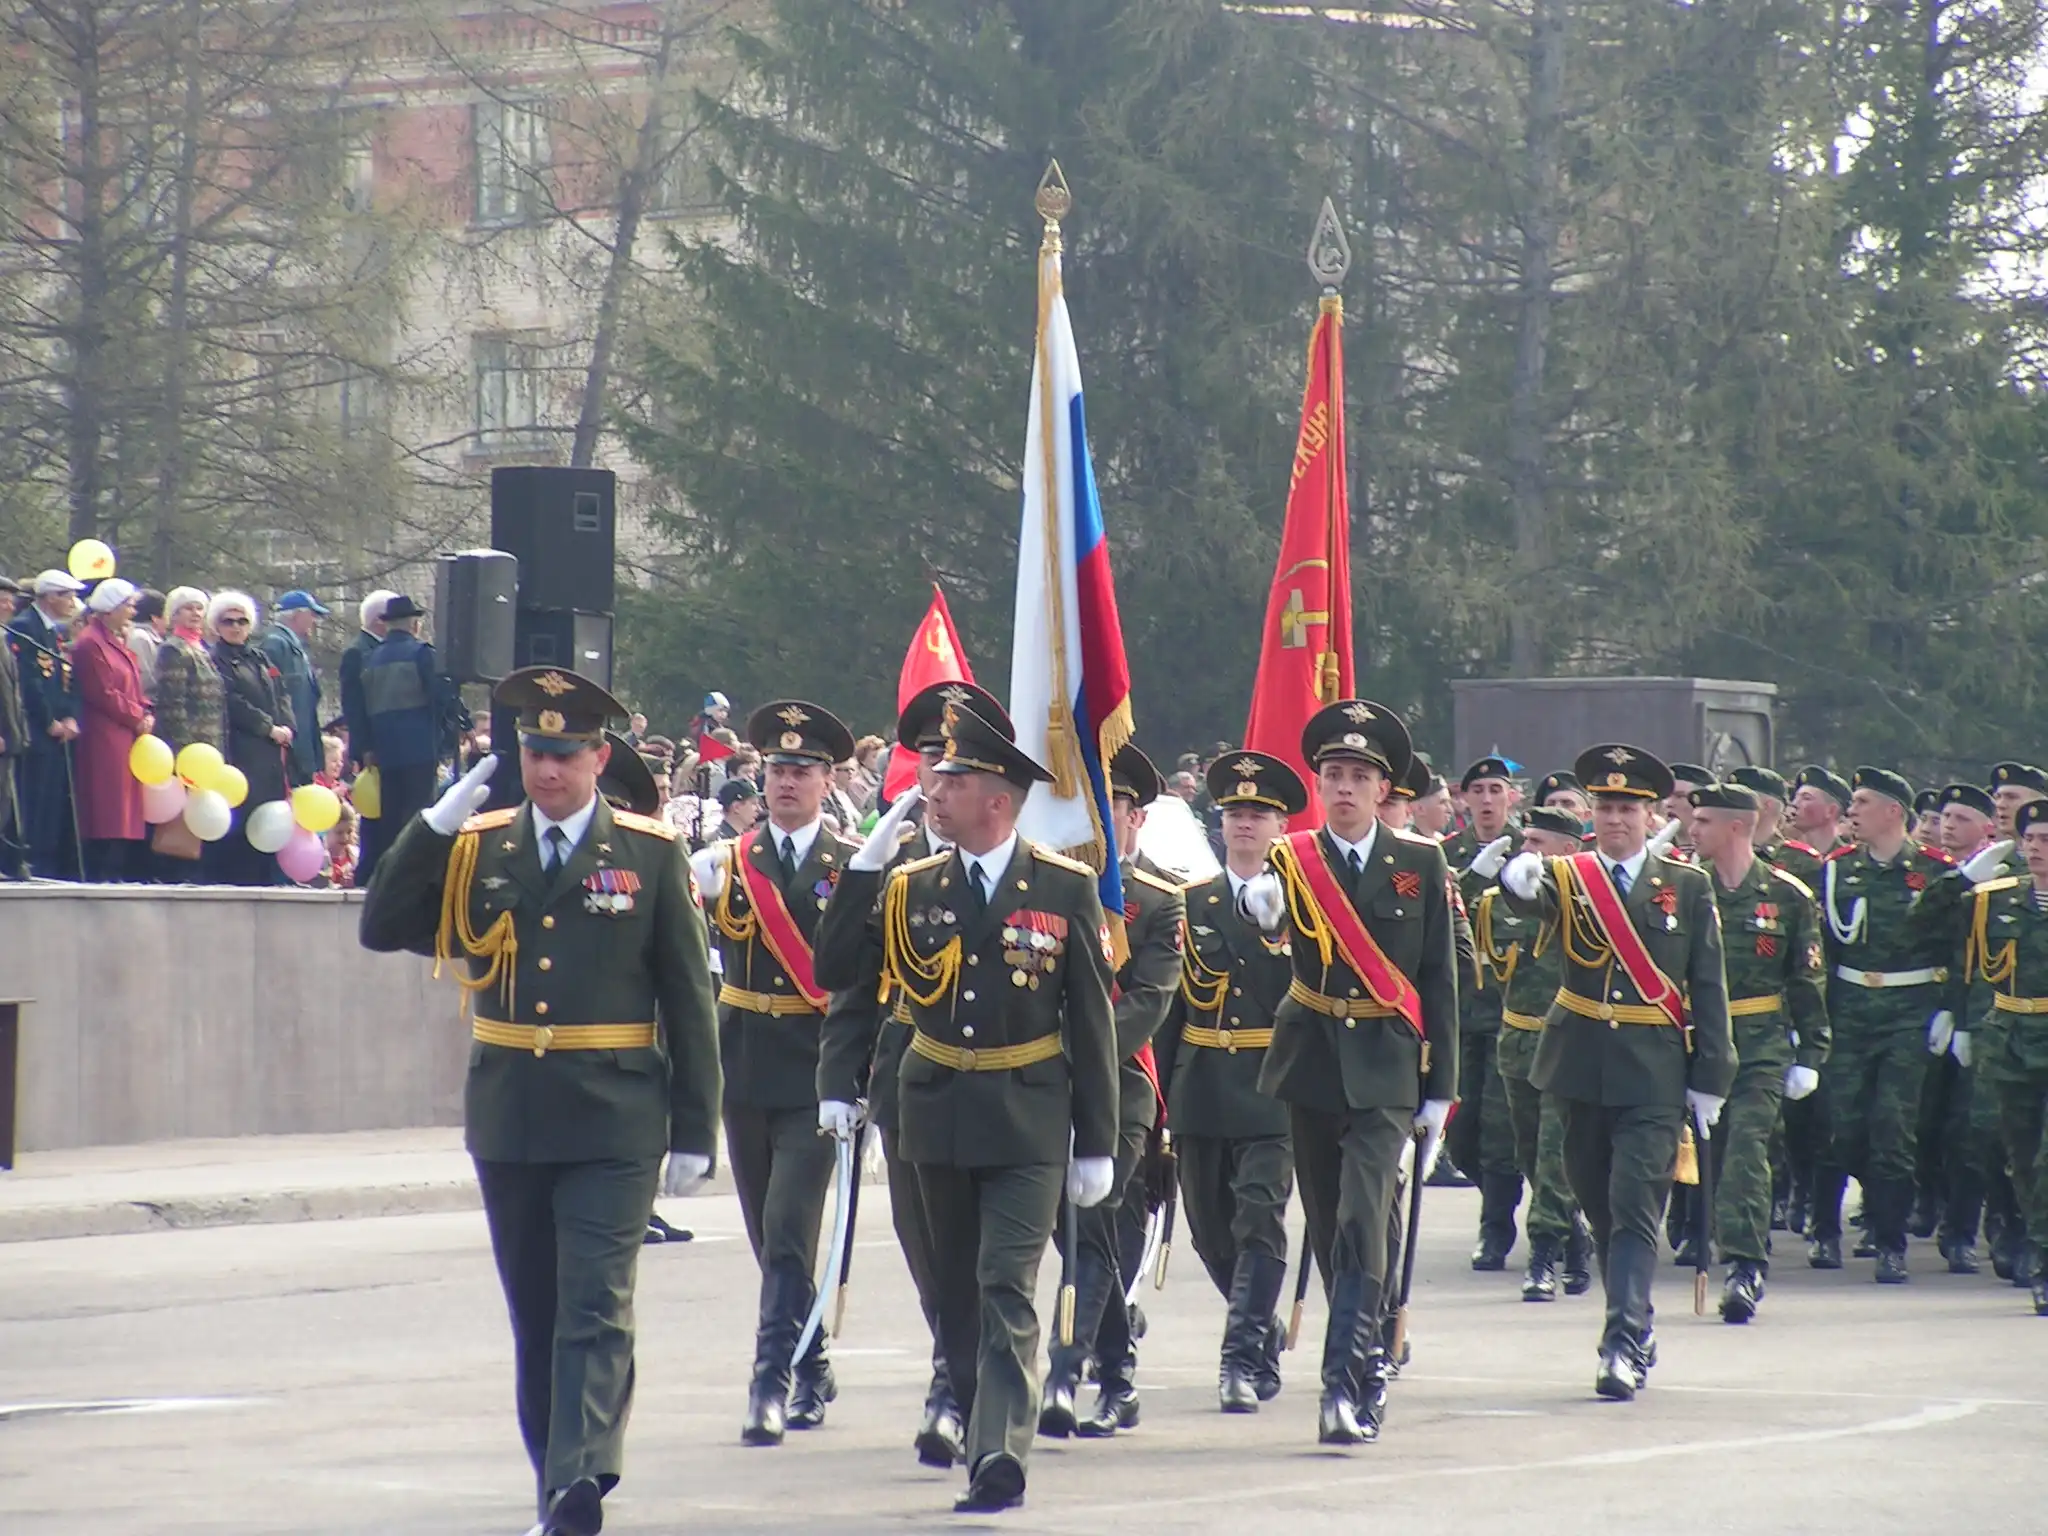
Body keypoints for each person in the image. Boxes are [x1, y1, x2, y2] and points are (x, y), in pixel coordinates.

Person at [359, 666, 720, 1536]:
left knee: (595, 1303)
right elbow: (383, 927)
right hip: (513, 1112)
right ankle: (554, 1483)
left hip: (614, 1114)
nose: (548, 769)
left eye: (565, 754)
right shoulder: (480, 846)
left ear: (599, 758)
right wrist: (429, 831)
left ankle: (580, 1474)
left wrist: (694, 1127)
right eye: (534, 753)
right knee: (538, 1312)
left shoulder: (649, 854)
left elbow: (687, 997)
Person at [811, 700, 1119, 1514]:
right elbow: (834, 969)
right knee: (952, 1295)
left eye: (953, 781)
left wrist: (1097, 1139)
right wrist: (865, 868)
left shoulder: (1062, 887)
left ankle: (999, 1453)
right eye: (935, 777)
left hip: (1027, 1116)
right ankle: (981, 1419)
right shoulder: (910, 885)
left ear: (999, 800)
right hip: (933, 1111)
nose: (933, 792)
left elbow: (1091, 1019)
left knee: (1005, 1283)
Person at [1238, 700, 1457, 1445]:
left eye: (1359, 776)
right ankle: (1364, 1352)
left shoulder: (1420, 862)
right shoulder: (1291, 858)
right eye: (1332, 774)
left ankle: (1342, 1383)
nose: (1344, 787)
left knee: (1365, 1216)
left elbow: (1439, 979)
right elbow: (1267, 918)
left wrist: (1441, 1091)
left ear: (1382, 788)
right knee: (1332, 1222)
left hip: (1388, 1066)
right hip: (1312, 1060)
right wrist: (1263, 909)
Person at [1498, 743, 1735, 1400]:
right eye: (1604, 807)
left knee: (1634, 1205)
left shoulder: (1686, 885)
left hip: (1652, 1070)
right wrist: (1515, 879)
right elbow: (1525, 900)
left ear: (1649, 814)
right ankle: (1634, 1315)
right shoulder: (1568, 877)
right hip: (1578, 1064)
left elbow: (1708, 983)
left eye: (1628, 808)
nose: (1615, 819)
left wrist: (1712, 1073)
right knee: (1599, 1203)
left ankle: (1622, 1340)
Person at [813, 679, 1008, 1469]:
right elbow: (848, 981)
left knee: (997, 1256)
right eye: (931, 760)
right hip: (911, 1078)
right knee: (931, 1250)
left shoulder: (1032, 865)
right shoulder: (891, 864)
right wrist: (838, 1080)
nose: (939, 778)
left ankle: (966, 1392)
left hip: (1007, 1084)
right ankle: (954, 1373)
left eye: (956, 763)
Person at [692, 700, 863, 1446]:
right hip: (746, 1063)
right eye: (777, 769)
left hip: (816, 1068)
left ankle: (769, 1380)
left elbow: (864, 980)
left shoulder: (852, 866)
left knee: (791, 1225)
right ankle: (811, 1357)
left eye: (802, 769)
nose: (786, 781)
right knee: (768, 1231)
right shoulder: (727, 862)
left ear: (828, 780)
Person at [1152, 748, 1305, 1411]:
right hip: (1203, 1085)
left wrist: (1274, 934)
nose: (1245, 823)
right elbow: (1168, 1011)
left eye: (1259, 814)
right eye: (1235, 812)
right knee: (1211, 1234)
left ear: (1281, 827)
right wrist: (1156, 1100)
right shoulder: (1189, 903)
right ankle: (1260, 1326)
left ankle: (1239, 1356)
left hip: (1273, 1087)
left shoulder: (1304, 908)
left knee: (1259, 1221)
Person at [1040, 743, 1182, 1441]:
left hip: (1122, 1083)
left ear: (1136, 817)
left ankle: (1065, 1372)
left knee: (1091, 1222)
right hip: (1043, 1080)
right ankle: (1120, 1379)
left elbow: (1150, 1000)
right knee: (1075, 1231)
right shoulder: (1047, 887)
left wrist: (1077, 1054)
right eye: (1092, 806)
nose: (1102, 819)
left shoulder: (1160, 899)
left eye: (1115, 806)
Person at [1808, 767, 1992, 1278]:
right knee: (1839, 1125)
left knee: (1894, 1128)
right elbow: (1822, 948)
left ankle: (1890, 1243)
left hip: (1911, 1010)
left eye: (1862, 802)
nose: (1852, 811)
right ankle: (1826, 1230)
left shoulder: (1935, 872)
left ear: (1893, 812)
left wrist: (1952, 1009)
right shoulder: (1837, 869)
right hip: (1850, 1009)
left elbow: (1960, 948)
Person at [1686, 781, 1829, 1323]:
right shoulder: (1684, 888)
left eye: (1703, 821)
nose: (1692, 830)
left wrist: (1810, 1053)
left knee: (1746, 1149)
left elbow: (1806, 980)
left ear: (1737, 827)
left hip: (1759, 1043)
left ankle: (1745, 1266)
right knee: (1713, 1154)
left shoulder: (1787, 895)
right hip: (1697, 1041)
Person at [1469, 805, 1593, 1300]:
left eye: (1538, 843)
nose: (1527, 851)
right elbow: (1449, 923)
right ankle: (1576, 1233)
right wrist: (1475, 875)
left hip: (1567, 1042)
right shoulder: (1498, 902)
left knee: (1553, 1153)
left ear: (1569, 850)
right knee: (1527, 1151)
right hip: (1516, 1042)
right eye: (1526, 841)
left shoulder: (1588, 901)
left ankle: (1543, 1253)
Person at [1958, 798, 2048, 1314]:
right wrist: (1964, 876)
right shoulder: (1996, 899)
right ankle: (2034, 1238)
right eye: (2029, 839)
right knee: (2022, 1156)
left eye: (2045, 841)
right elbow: (1924, 925)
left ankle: (2043, 1260)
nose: (2035, 849)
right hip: (2011, 1040)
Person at [1446, 756, 1528, 1271]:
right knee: (1460, 1132)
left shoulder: (1530, 850)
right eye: (1477, 791)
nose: (1487, 800)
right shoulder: (1446, 855)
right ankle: (1501, 1199)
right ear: (1464, 798)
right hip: (1462, 1014)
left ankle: (1496, 1228)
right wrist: (1471, 879)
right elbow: (1437, 913)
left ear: (1511, 797)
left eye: (1496, 790)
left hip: (1512, 1011)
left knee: (1502, 1129)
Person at [357, 595, 446, 886]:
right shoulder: (422, 654)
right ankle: (417, 878)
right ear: (414, 624)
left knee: (391, 820)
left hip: (385, 754)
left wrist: (368, 747)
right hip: (420, 750)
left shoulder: (370, 659)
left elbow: (360, 709)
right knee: (419, 816)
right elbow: (440, 698)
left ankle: (391, 878)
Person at [207, 591, 295, 886]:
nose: (236, 627)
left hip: (271, 754)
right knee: (244, 818)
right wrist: (267, 727)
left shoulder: (260, 657)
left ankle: (266, 879)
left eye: (242, 621)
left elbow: (281, 693)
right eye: (228, 621)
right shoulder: (216, 659)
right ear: (216, 625)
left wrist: (287, 725)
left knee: (269, 816)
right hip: (242, 751)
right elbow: (231, 700)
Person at [70, 578, 154, 882]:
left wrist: (146, 711)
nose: (132, 612)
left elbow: (132, 684)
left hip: (125, 733)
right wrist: (136, 716)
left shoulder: (116, 642)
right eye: (128, 606)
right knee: (108, 803)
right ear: (111, 609)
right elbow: (102, 691)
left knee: (124, 803)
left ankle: (117, 867)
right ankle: (103, 868)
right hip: (105, 733)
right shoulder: (90, 643)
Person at [6, 571, 85, 879]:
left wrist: (70, 716)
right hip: (37, 730)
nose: (72, 602)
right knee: (34, 800)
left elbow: (66, 678)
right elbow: (29, 681)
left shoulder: (53, 631)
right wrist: (49, 720)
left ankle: (47, 863)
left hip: (58, 732)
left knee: (52, 801)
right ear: (50, 597)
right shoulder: (25, 627)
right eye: (67, 595)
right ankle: (31, 860)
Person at [340, 589, 394, 868]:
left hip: (386, 743)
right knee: (374, 813)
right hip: (372, 747)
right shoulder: (358, 652)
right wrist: (365, 748)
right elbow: (354, 706)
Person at [259, 590, 329, 788]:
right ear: (297, 615)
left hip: (303, 745)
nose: (314, 621)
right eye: (312, 615)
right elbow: (273, 696)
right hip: (291, 749)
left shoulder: (294, 647)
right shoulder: (275, 644)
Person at [0, 576, 30, 879]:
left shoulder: (4, 639)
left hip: (9, 737)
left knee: (5, 803)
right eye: (2, 600)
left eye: (11, 601)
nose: (8, 607)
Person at [126, 589, 167, 676]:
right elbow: (144, 677)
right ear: (155, 618)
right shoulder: (140, 638)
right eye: (166, 616)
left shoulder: (145, 637)